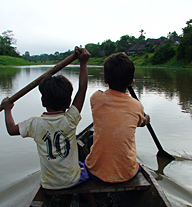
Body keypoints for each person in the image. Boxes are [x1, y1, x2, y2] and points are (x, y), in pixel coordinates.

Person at [1, 48, 91, 190]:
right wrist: (83, 64)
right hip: (73, 180)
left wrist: (7, 110)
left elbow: (11, 129)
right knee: (87, 166)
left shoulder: (34, 124)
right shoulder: (70, 120)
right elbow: (82, 89)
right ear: (68, 104)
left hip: (49, 184)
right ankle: (93, 205)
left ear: (43, 102)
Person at [85, 52, 150, 183]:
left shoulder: (96, 98)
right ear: (131, 81)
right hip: (127, 174)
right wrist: (146, 119)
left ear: (105, 80)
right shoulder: (137, 106)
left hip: (95, 173)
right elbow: (141, 122)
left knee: (90, 139)